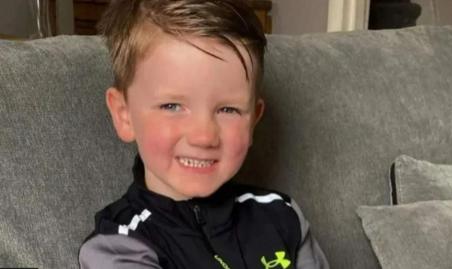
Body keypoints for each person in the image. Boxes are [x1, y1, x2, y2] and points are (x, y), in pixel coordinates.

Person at [78, 0, 329, 268]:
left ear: (254, 120)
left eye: (229, 109)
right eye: (172, 106)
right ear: (124, 114)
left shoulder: (283, 216)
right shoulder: (118, 246)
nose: (204, 136)